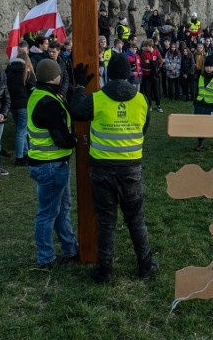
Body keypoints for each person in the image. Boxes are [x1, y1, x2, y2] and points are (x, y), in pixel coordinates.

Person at [68, 55, 158, 283]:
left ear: (108, 73)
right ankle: (145, 265)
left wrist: (79, 86)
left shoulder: (97, 99)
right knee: (136, 219)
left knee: (107, 221)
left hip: (103, 170)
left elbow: (77, 111)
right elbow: (143, 129)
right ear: (129, 74)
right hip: (130, 169)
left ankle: (104, 271)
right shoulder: (142, 100)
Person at [27, 59, 80, 269]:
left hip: (52, 164)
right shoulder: (47, 102)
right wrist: (76, 141)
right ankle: (45, 257)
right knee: (48, 212)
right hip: (50, 165)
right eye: (59, 74)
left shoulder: (41, 94)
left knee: (62, 208)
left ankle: (70, 248)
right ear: (53, 77)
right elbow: (61, 136)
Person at [7, 51, 36, 166]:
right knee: (22, 131)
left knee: (21, 131)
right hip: (24, 105)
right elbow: (33, 91)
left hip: (13, 105)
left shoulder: (9, 72)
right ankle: (20, 157)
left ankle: (25, 154)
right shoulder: (27, 73)